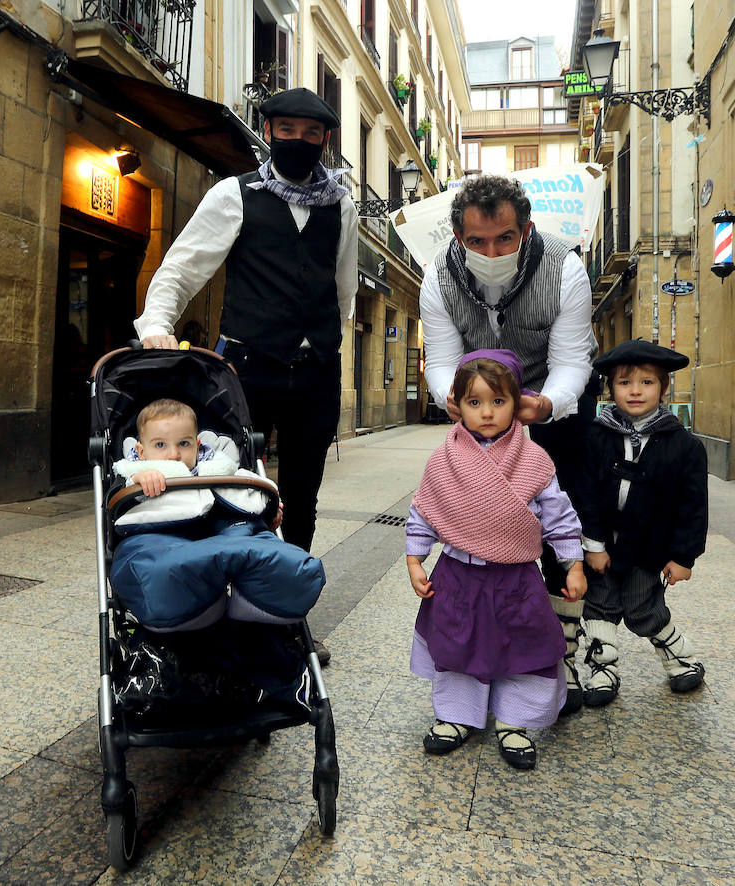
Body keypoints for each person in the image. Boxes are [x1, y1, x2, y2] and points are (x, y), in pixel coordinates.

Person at [134, 87, 357, 663]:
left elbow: (342, 288)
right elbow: (183, 266)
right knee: (231, 485)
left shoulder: (342, 205)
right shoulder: (235, 194)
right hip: (248, 369)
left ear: (325, 140)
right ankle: (218, 604)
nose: (300, 141)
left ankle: (288, 615)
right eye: (288, 130)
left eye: (312, 134)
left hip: (315, 371)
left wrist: (324, 340)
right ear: (269, 132)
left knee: (303, 495)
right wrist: (156, 324)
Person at [419, 173, 597, 713]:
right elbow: (442, 358)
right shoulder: (437, 277)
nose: (491, 252)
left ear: (527, 230)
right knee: (477, 513)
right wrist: (452, 398)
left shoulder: (566, 267)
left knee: (563, 512)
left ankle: (561, 651)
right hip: (481, 400)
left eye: (505, 239)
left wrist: (546, 405)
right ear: (458, 236)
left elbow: (572, 359)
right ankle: (478, 646)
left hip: (554, 396)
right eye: (477, 241)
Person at [406, 350, 586, 770]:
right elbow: (424, 509)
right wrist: (416, 560)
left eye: (498, 401)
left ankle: (514, 720)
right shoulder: (444, 459)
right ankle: (456, 715)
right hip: (458, 573)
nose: (486, 412)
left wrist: (573, 563)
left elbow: (558, 515)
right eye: (475, 402)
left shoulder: (534, 460)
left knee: (522, 646)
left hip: (516, 576)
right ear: (458, 404)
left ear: (517, 403)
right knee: (458, 645)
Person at [109, 399, 324, 631]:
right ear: (141, 451)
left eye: (184, 443)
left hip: (226, 529)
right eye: (160, 445)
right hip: (160, 536)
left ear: (197, 444)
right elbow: (119, 504)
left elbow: (250, 486)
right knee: (161, 572)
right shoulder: (137, 474)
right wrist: (138, 479)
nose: (173, 455)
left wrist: (270, 507)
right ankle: (204, 600)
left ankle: (250, 598)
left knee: (293, 567)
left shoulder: (217, 467)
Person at [573, 341, 708, 706]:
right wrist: (593, 545)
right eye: (624, 383)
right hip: (604, 545)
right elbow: (585, 494)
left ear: (664, 387)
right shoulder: (596, 437)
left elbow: (693, 508)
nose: (635, 391)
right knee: (599, 605)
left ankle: (682, 660)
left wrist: (683, 557)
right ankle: (603, 670)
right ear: (610, 388)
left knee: (642, 606)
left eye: (646, 382)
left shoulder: (684, 446)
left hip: (649, 548)